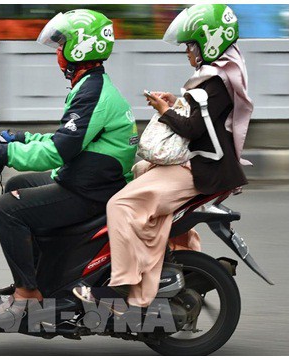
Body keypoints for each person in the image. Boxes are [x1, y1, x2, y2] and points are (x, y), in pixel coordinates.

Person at [74, 4, 253, 309]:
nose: (187, 51)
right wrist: (175, 102)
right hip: (201, 164)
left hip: (202, 169)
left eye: (190, 45)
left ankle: (125, 283)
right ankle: (180, 257)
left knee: (119, 204)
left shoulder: (215, 81)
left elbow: (195, 129)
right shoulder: (218, 76)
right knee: (141, 170)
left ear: (208, 43)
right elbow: (201, 114)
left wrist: (165, 111)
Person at [0, 9, 139, 319]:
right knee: (18, 185)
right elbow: (67, 138)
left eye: (62, 44)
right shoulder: (91, 85)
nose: (58, 51)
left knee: (6, 208)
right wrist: (20, 138)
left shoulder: (92, 92)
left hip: (90, 190)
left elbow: (59, 151)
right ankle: (42, 277)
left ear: (81, 47)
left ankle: (28, 295)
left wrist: (5, 154)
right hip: (87, 178)